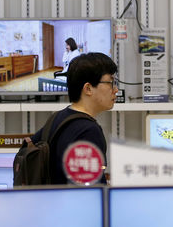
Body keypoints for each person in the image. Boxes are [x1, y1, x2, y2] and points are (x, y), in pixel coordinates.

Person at [31, 52, 118, 184]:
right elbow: (94, 193)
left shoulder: (57, 118)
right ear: (88, 88)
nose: (115, 89)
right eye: (110, 83)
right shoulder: (88, 131)